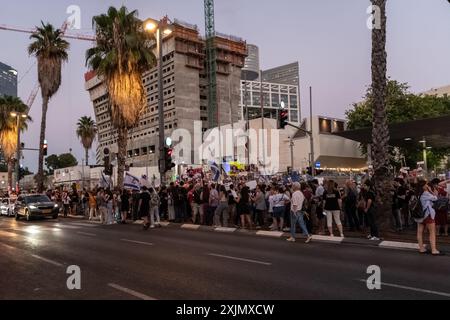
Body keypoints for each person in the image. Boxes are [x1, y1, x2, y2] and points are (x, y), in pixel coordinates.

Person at [415, 180, 443, 255]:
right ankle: (433, 250)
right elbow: (435, 198)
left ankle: (421, 248)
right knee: (432, 232)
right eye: (426, 184)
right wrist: (430, 190)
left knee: (419, 232)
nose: (427, 185)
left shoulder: (417, 194)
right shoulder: (426, 193)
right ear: (423, 186)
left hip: (420, 215)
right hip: (428, 215)